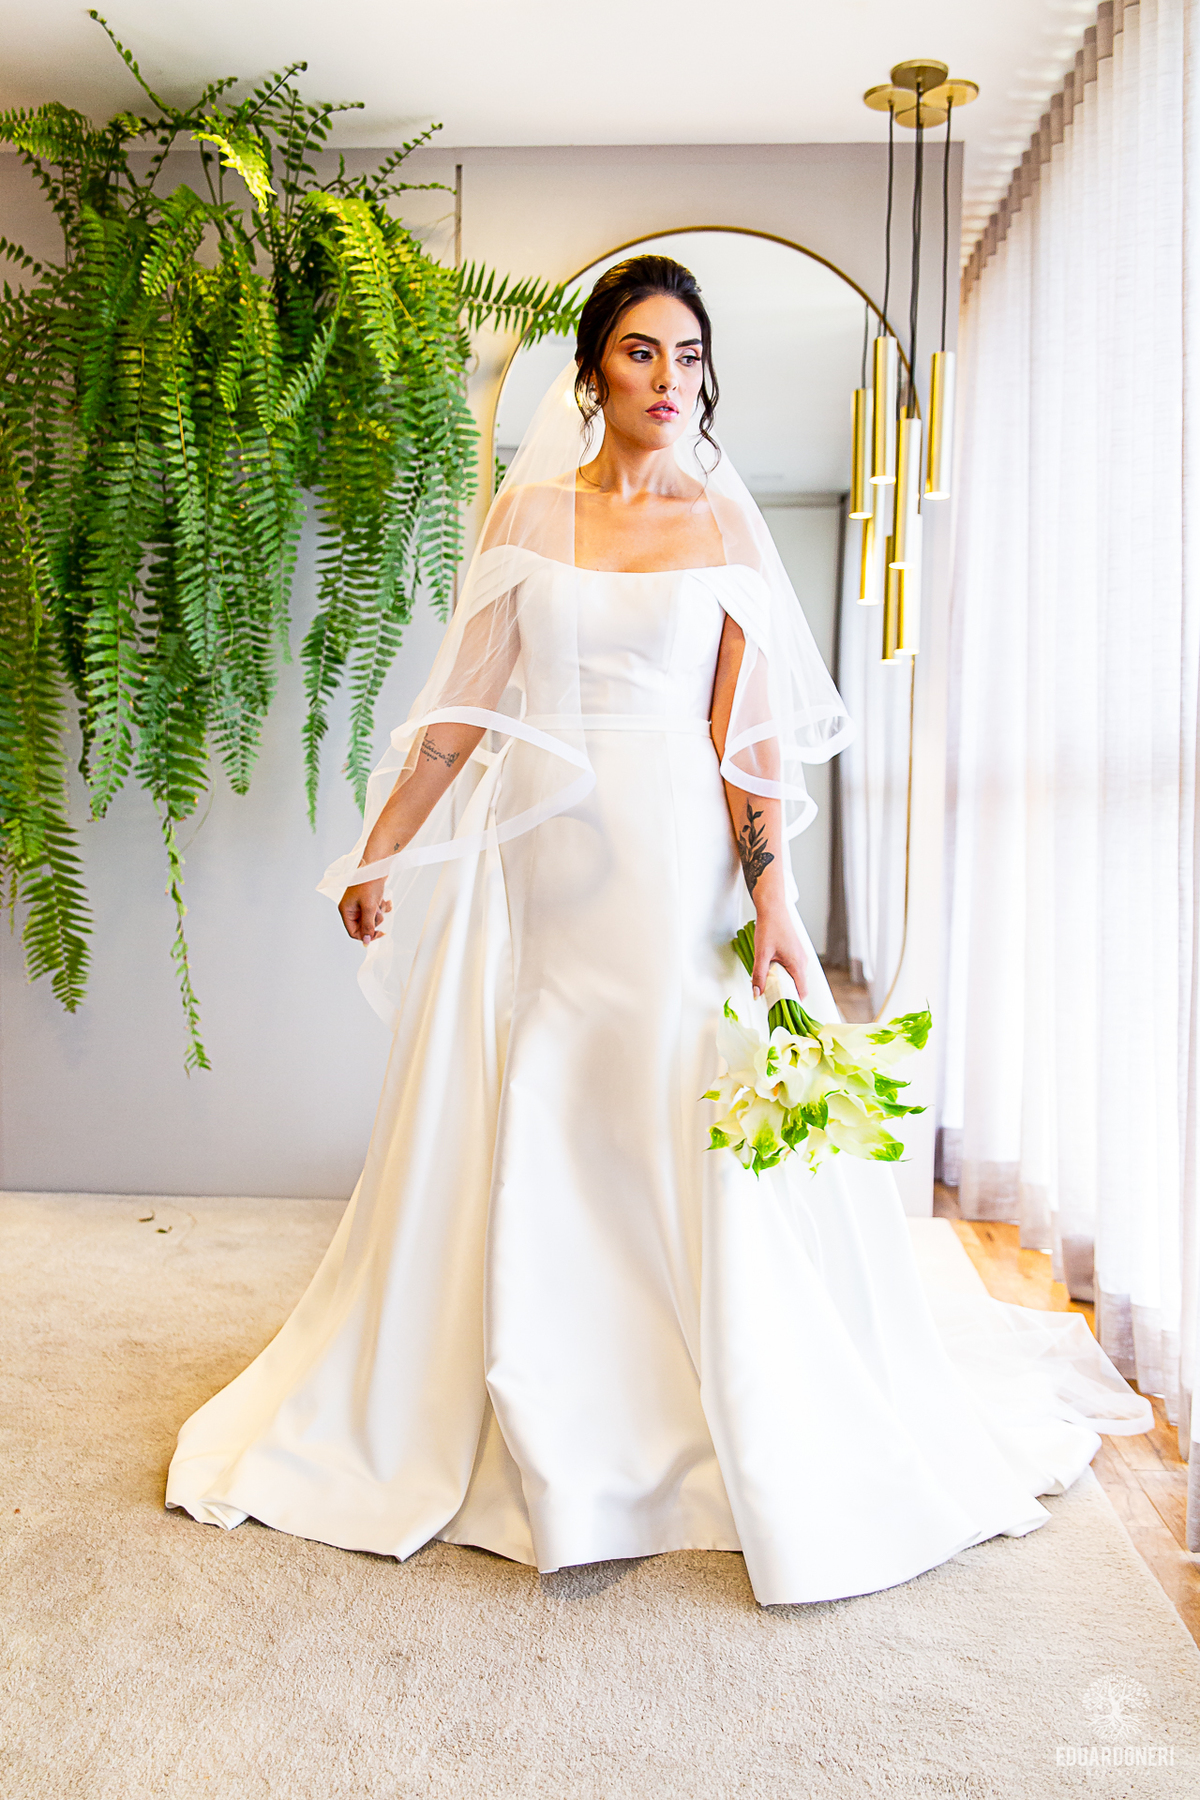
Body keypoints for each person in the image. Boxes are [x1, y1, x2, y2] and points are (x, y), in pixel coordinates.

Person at [166, 256, 1149, 1605]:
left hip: (676, 858)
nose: (668, 381)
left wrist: (776, 903)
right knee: (552, 1102)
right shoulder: (531, 517)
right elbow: (462, 714)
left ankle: (700, 1404)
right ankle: (550, 1400)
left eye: (689, 357)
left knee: (677, 1105)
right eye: (641, 353)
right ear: (591, 372)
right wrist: (380, 847)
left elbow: (743, 749)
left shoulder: (727, 534)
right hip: (549, 863)